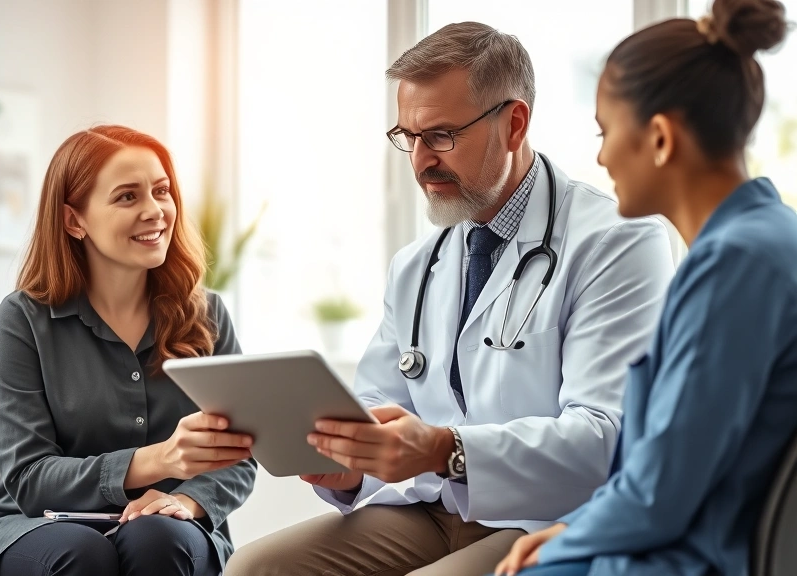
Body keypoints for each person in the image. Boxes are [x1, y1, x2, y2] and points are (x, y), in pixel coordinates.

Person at [226, 21, 675, 576]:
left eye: (441, 136)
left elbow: (607, 436)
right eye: (407, 137)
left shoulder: (616, 242)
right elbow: (382, 403)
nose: (419, 161)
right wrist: (350, 469)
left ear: (514, 124)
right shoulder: (419, 263)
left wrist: (448, 447)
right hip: (434, 506)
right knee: (256, 569)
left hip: (549, 514)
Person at [492, 1, 797, 575]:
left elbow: (661, 491)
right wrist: (571, 528)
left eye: (608, 132)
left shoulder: (736, 265)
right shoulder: (766, 238)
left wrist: (566, 540)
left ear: (659, 138)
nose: (602, 156)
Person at [0, 125, 258, 576]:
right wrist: (157, 460)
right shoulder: (23, 320)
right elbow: (30, 478)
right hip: (33, 526)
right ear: (74, 220)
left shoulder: (207, 314)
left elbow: (240, 454)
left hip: (169, 524)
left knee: (158, 539)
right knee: (82, 553)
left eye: (161, 191)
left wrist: (187, 500)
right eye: (127, 197)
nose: (155, 211)